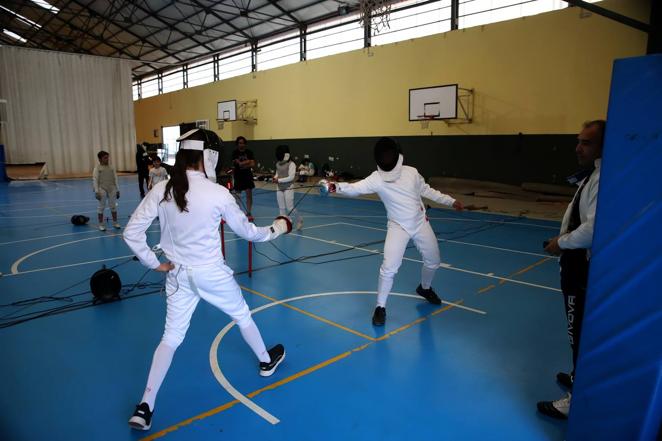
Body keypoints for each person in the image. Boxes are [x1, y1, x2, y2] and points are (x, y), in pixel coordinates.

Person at [123, 128, 291, 431]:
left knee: (170, 339)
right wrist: (279, 227)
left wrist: (155, 264)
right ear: (208, 156)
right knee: (242, 315)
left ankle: (145, 406)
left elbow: (131, 233)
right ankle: (266, 361)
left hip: (176, 275)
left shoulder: (162, 187)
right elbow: (250, 233)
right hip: (212, 274)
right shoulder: (218, 194)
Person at [325, 137, 463, 325]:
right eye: (384, 155)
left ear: (397, 155)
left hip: (420, 222)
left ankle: (425, 288)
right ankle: (380, 307)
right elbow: (355, 188)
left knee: (433, 261)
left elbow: (427, 190)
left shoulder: (412, 173)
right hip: (398, 226)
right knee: (389, 268)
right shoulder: (377, 178)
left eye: (389, 154)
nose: (387, 157)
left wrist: (450, 201)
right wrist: (335, 187)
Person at [537, 120, 605, 420]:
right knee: (579, 330)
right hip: (576, 266)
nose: (578, 147)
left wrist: (562, 243)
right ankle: (581, 376)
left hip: (582, 269)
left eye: (586, 143)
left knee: (578, 331)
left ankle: (574, 401)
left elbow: (594, 228)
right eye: (578, 141)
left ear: (604, 146)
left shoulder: (603, 178)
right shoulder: (591, 176)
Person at [273, 145, 303, 230]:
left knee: (290, 207)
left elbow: (291, 177)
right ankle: (282, 225)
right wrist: (275, 178)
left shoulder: (292, 164)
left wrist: (278, 180)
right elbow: (277, 174)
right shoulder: (278, 164)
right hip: (279, 187)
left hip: (288, 187)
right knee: (281, 208)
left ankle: (300, 219)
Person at [93, 150, 120, 231]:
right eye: (105, 158)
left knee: (113, 206)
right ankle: (101, 224)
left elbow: (115, 178)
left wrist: (118, 190)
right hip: (102, 189)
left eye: (108, 158)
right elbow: (95, 179)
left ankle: (115, 223)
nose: (107, 159)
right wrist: (97, 191)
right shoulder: (97, 168)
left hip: (112, 188)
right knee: (101, 207)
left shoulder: (112, 167)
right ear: (100, 159)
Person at [231, 136, 255, 216]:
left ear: (245, 144)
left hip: (247, 176)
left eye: (243, 143)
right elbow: (239, 163)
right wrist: (248, 162)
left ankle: (248, 212)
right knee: (237, 196)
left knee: (249, 195)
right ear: (237, 144)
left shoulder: (249, 152)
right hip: (238, 176)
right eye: (240, 143)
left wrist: (244, 164)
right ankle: (238, 212)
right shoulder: (235, 153)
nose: (241, 144)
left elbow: (253, 164)